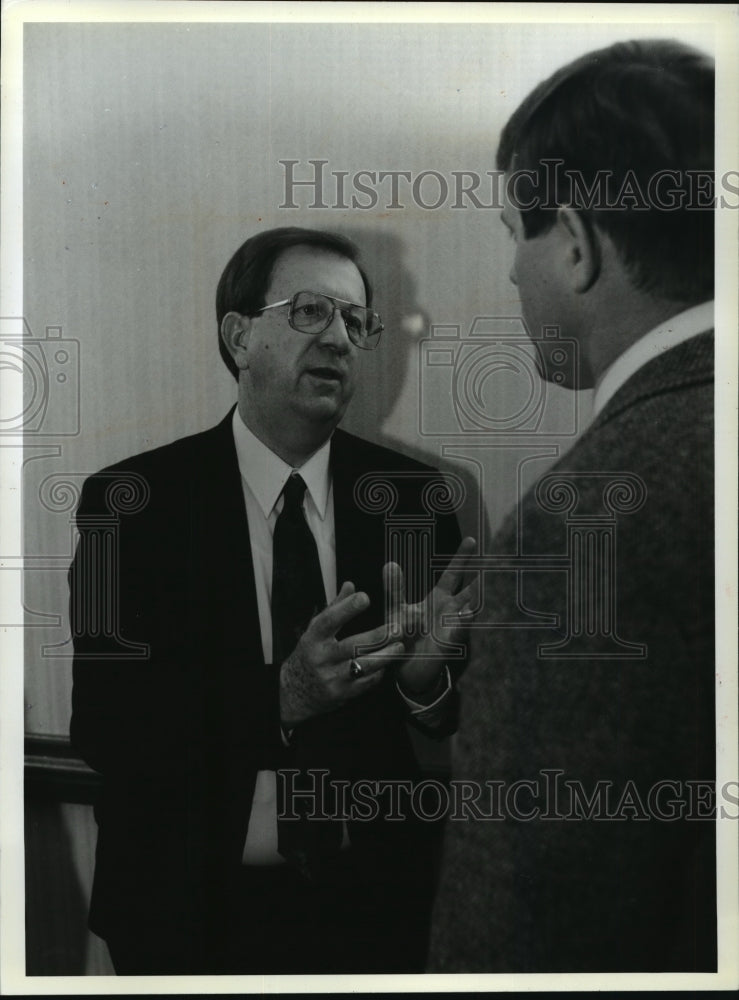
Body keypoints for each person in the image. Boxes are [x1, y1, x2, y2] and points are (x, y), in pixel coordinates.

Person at [69, 226, 474, 975]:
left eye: (356, 321)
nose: (340, 340)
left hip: (374, 909)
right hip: (186, 914)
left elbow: (439, 711)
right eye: (311, 311)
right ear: (238, 334)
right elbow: (103, 724)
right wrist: (280, 698)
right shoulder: (130, 503)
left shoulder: (413, 501)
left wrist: (424, 686)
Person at [429, 39, 716, 973]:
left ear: (578, 244)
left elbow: (519, 934)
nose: (513, 273)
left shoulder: (578, 526)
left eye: (516, 231)